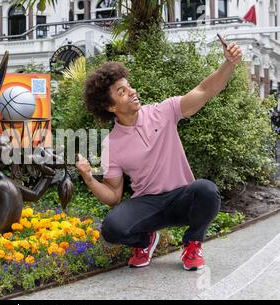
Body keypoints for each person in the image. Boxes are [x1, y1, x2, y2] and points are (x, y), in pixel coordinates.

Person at [76, 38, 243, 271]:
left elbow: (204, 90)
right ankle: (145, 241)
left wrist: (229, 63)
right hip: (147, 204)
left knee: (207, 191)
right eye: (122, 92)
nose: (132, 92)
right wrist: (89, 178)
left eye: (129, 86)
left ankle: (193, 242)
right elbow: (113, 195)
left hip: (182, 197)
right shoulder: (111, 144)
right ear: (111, 106)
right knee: (112, 228)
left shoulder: (163, 112)